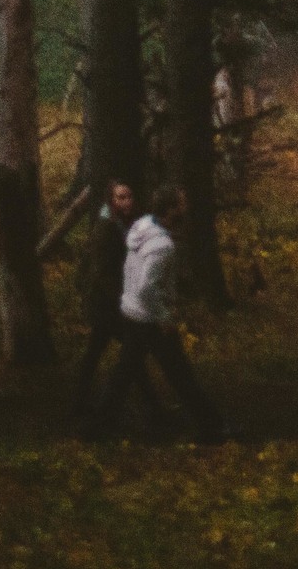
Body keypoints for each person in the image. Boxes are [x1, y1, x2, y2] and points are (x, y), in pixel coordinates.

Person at [86, 184, 227, 444]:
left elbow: (132, 272)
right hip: (150, 317)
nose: (186, 207)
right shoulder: (162, 246)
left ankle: (99, 425)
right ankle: (211, 426)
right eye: (181, 203)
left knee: (125, 371)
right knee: (179, 373)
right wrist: (163, 316)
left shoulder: (141, 227)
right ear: (171, 209)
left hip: (132, 312)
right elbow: (147, 286)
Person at [68, 181, 164, 425]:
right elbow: (100, 273)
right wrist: (123, 299)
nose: (127, 201)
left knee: (104, 353)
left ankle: (80, 402)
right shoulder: (106, 229)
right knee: (128, 352)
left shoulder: (124, 226)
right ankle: (149, 406)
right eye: (121, 197)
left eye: (129, 196)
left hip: (111, 303)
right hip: (107, 305)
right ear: (111, 202)